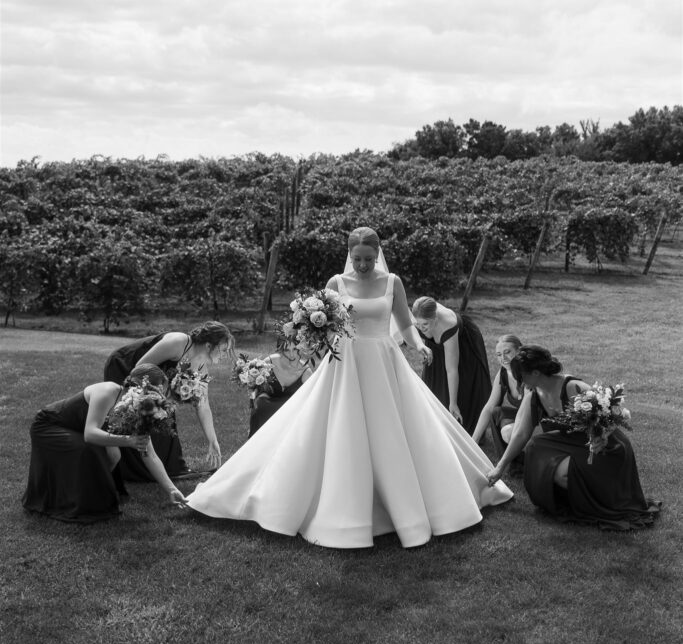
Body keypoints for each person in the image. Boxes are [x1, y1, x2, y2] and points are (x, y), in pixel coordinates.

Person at [187, 227, 512, 549]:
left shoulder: (392, 282)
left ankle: (410, 507)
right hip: (345, 364)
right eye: (357, 258)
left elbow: (405, 323)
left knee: (395, 431)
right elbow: (326, 326)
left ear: (378, 254)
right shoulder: (336, 284)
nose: (362, 264)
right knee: (341, 430)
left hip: (384, 363)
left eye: (369, 258)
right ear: (349, 255)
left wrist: (419, 345)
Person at [487, 345, 662, 531]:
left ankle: (598, 502)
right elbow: (521, 434)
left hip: (604, 447)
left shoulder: (572, 387)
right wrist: (500, 467)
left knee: (561, 468)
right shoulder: (533, 395)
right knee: (536, 445)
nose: (519, 382)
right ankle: (578, 501)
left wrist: (601, 436)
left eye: (521, 376)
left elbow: (613, 417)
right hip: (573, 446)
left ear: (536, 372)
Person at [23, 364, 187, 524]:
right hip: (49, 425)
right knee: (87, 451)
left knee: (114, 456)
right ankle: (69, 500)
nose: (157, 401)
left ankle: (89, 494)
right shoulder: (108, 391)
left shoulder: (142, 408)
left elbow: (149, 453)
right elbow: (90, 434)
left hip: (79, 428)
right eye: (155, 395)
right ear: (140, 388)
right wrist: (129, 441)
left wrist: (171, 489)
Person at [103, 321, 235, 481]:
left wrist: (212, 440)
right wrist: (156, 394)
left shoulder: (201, 369)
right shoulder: (178, 342)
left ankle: (161, 468)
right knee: (130, 415)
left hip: (153, 382)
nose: (225, 355)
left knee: (163, 416)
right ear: (208, 346)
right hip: (124, 366)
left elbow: (203, 406)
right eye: (223, 350)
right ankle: (121, 465)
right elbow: (139, 368)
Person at [411, 296, 492, 435]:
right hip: (436, 345)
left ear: (435, 319)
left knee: (461, 389)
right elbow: (410, 334)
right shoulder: (418, 315)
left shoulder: (447, 325)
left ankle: (465, 431)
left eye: (425, 324)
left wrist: (453, 403)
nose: (421, 328)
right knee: (433, 386)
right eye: (418, 324)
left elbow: (452, 370)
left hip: (463, 344)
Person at [471, 335, 525, 460]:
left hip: (539, 419)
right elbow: (489, 407)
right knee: (496, 412)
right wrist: (473, 441)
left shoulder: (529, 373)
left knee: (508, 432)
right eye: (499, 355)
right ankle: (508, 461)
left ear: (519, 351)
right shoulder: (503, 373)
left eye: (507, 352)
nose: (503, 358)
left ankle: (518, 460)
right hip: (523, 415)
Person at [248, 349, 313, 438]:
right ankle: (256, 441)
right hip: (266, 403)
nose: (291, 354)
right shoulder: (270, 362)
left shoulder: (306, 372)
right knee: (260, 404)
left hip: (289, 411)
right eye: (287, 350)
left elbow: (311, 401)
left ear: (300, 350)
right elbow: (255, 388)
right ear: (281, 349)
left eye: (295, 350)